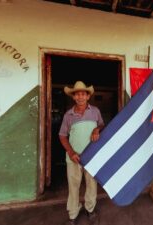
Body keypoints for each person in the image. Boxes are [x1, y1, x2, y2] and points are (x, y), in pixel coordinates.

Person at [59, 81, 104, 225]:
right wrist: (71, 153)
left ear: (88, 96)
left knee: (91, 184)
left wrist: (97, 129)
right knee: (73, 186)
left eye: (83, 94)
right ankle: (72, 214)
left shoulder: (95, 111)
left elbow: (102, 125)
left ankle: (90, 209)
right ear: (73, 97)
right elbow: (62, 136)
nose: (80, 97)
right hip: (74, 157)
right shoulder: (68, 115)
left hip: (91, 156)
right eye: (77, 94)